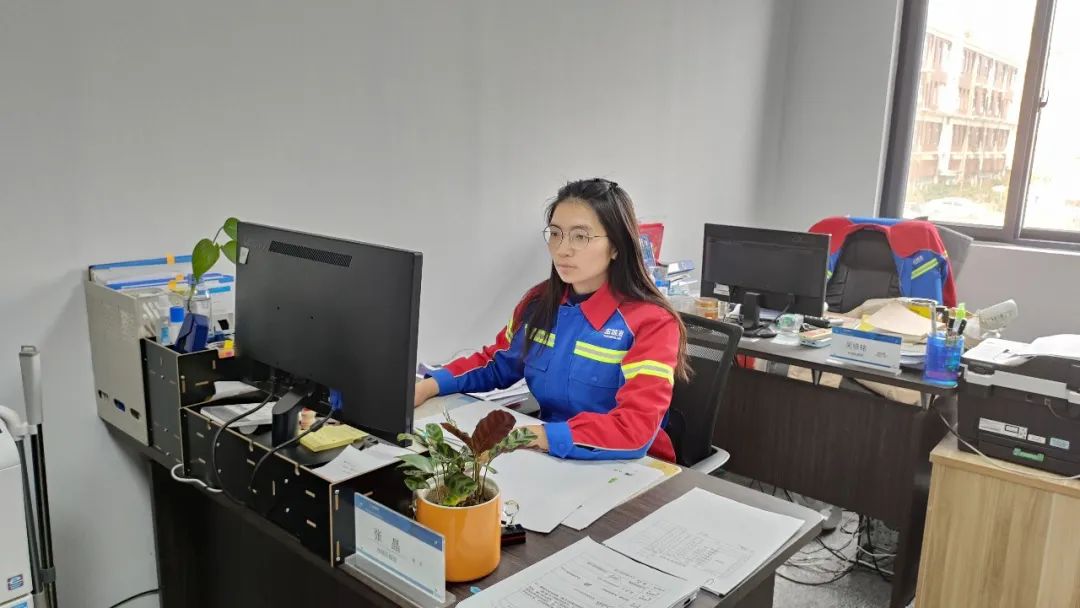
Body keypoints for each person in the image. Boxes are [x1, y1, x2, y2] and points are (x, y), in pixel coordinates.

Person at [413, 178, 690, 461]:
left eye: (580, 237)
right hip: (550, 454)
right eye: (556, 234)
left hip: (634, 465)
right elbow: (496, 364)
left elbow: (635, 430)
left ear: (616, 246)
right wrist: (427, 387)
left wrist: (537, 436)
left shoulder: (652, 322)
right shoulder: (539, 302)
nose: (562, 249)